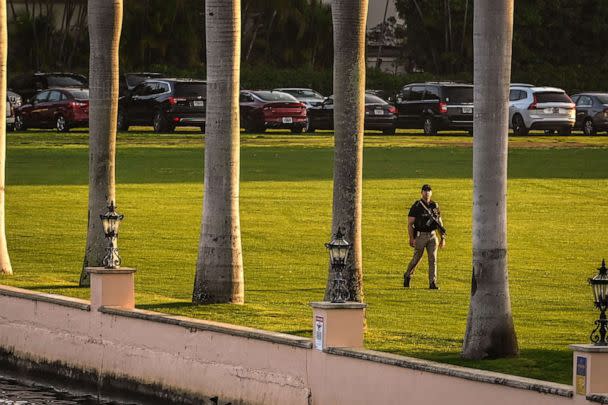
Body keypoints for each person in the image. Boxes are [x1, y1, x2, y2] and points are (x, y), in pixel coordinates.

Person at [404, 184, 445, 289]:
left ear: (431, 193)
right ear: (421, 192)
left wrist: (442, 238)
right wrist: (411, 238)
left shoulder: (434, 205)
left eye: (429, 190)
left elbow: (438, 222)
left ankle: (432, 283)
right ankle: (408, 274)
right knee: (417, 258)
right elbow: (410, 223)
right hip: (420, 236)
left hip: (432, 235)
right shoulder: (417, 206)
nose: (427, 192)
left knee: (433, 259)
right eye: (425, 190)